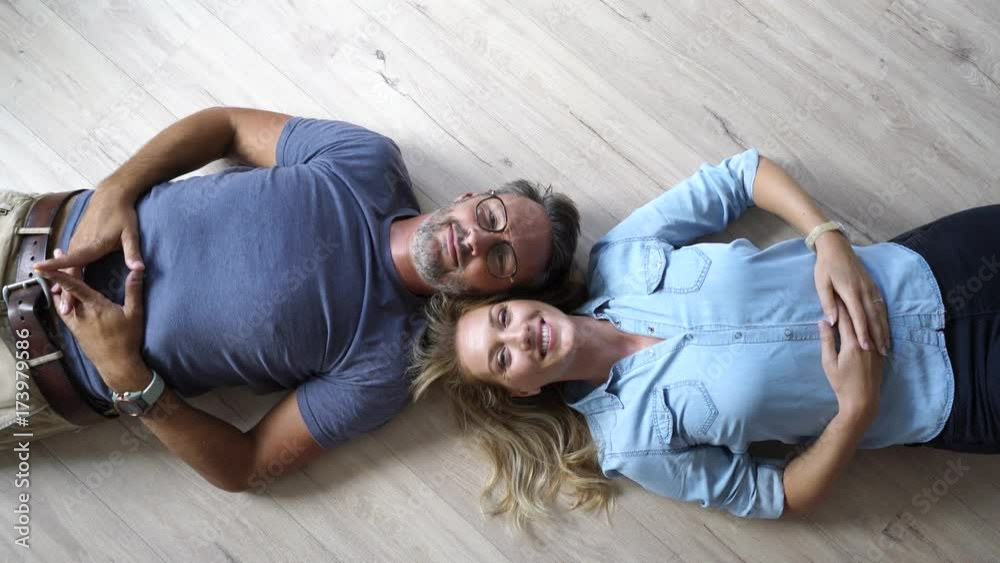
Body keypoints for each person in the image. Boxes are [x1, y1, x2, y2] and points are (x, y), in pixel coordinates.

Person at [0, 107, 580, 493]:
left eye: (501, 257)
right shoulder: (366, 161)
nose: (477, 239)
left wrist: (128, 376)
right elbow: (224, 124)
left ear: (496, 293)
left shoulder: (387, 365)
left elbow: (247, 466)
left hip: (33, 373)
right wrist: (116, 189)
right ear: (470, 197)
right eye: (491, 217)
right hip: (25, 233)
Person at [412, 148, 998, 524]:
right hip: (958, 393)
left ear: (519, 299)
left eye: (503, 319)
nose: (519, 337)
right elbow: (777, 498)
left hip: (933, 267)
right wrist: (855, 411)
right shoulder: (632, 445)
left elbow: (742, 175)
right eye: (501, 358)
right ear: (518, 390)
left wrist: (828, 238)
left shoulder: (624, 256)